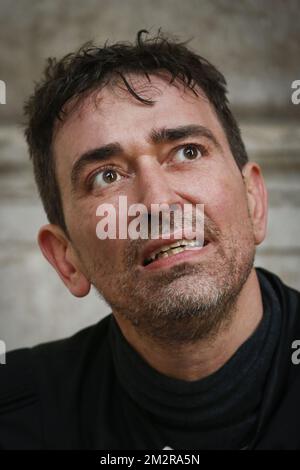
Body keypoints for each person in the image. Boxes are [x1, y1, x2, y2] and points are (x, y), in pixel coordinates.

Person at [1, 30, 300, 450]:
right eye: (106, 176)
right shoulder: (15, 419)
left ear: (253, 202)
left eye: (187, 152)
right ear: (67, 259)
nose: (157, 203)